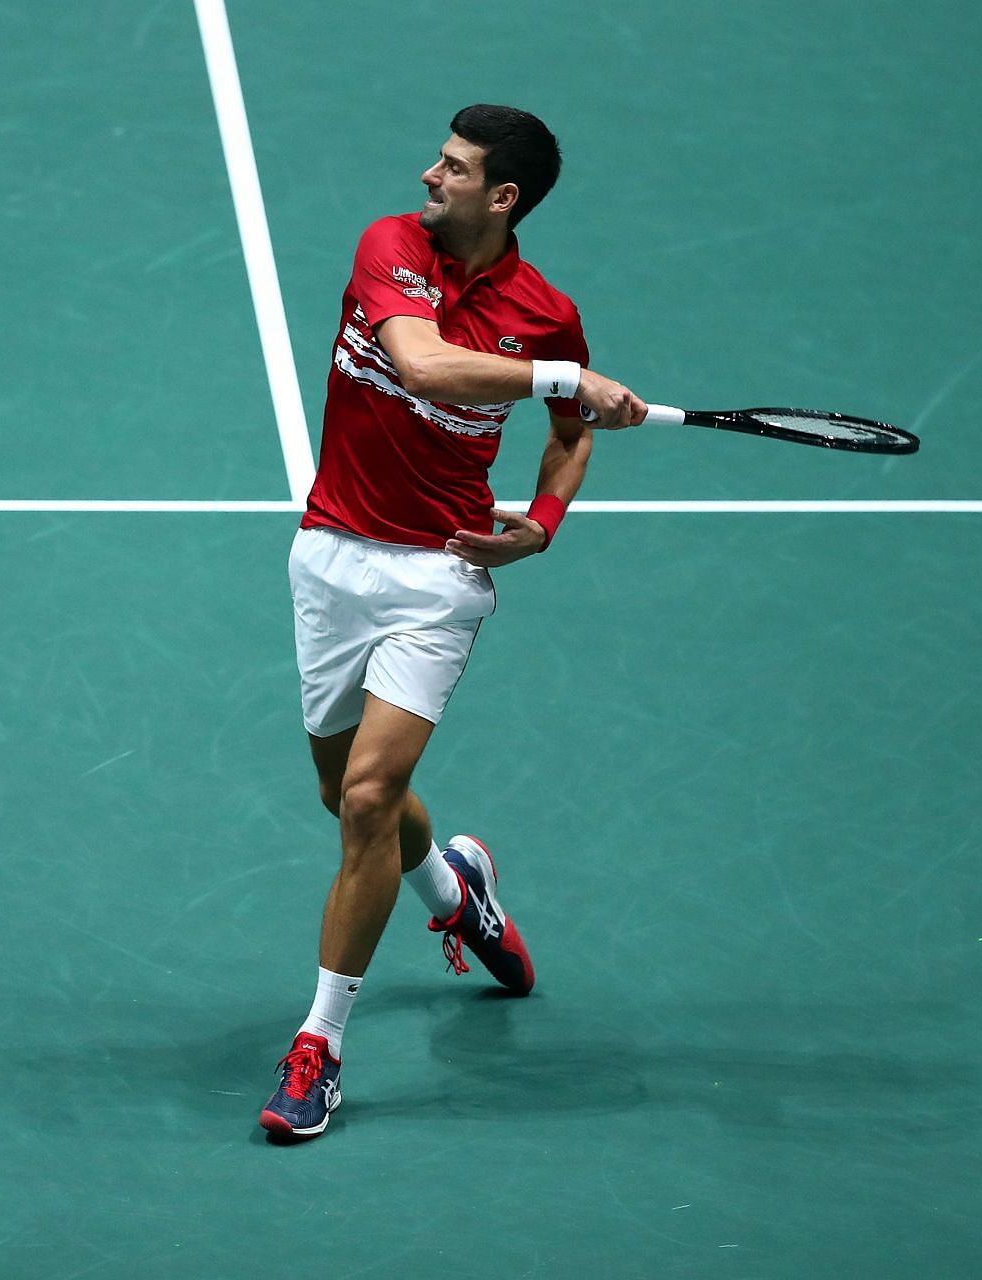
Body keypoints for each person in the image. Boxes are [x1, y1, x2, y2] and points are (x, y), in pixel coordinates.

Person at [259, 105, 646, 1142]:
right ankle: (455, 883)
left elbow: (570, 441)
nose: (430, 174)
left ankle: (320, 1045)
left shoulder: (545, 313)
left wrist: (547, 520)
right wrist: (564, 379)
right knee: (344, 792)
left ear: (503, 197)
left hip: (439, 571)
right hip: (334, 553)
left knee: (370, 796)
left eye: (455, 167)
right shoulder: (392, 246)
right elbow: (427, 367)